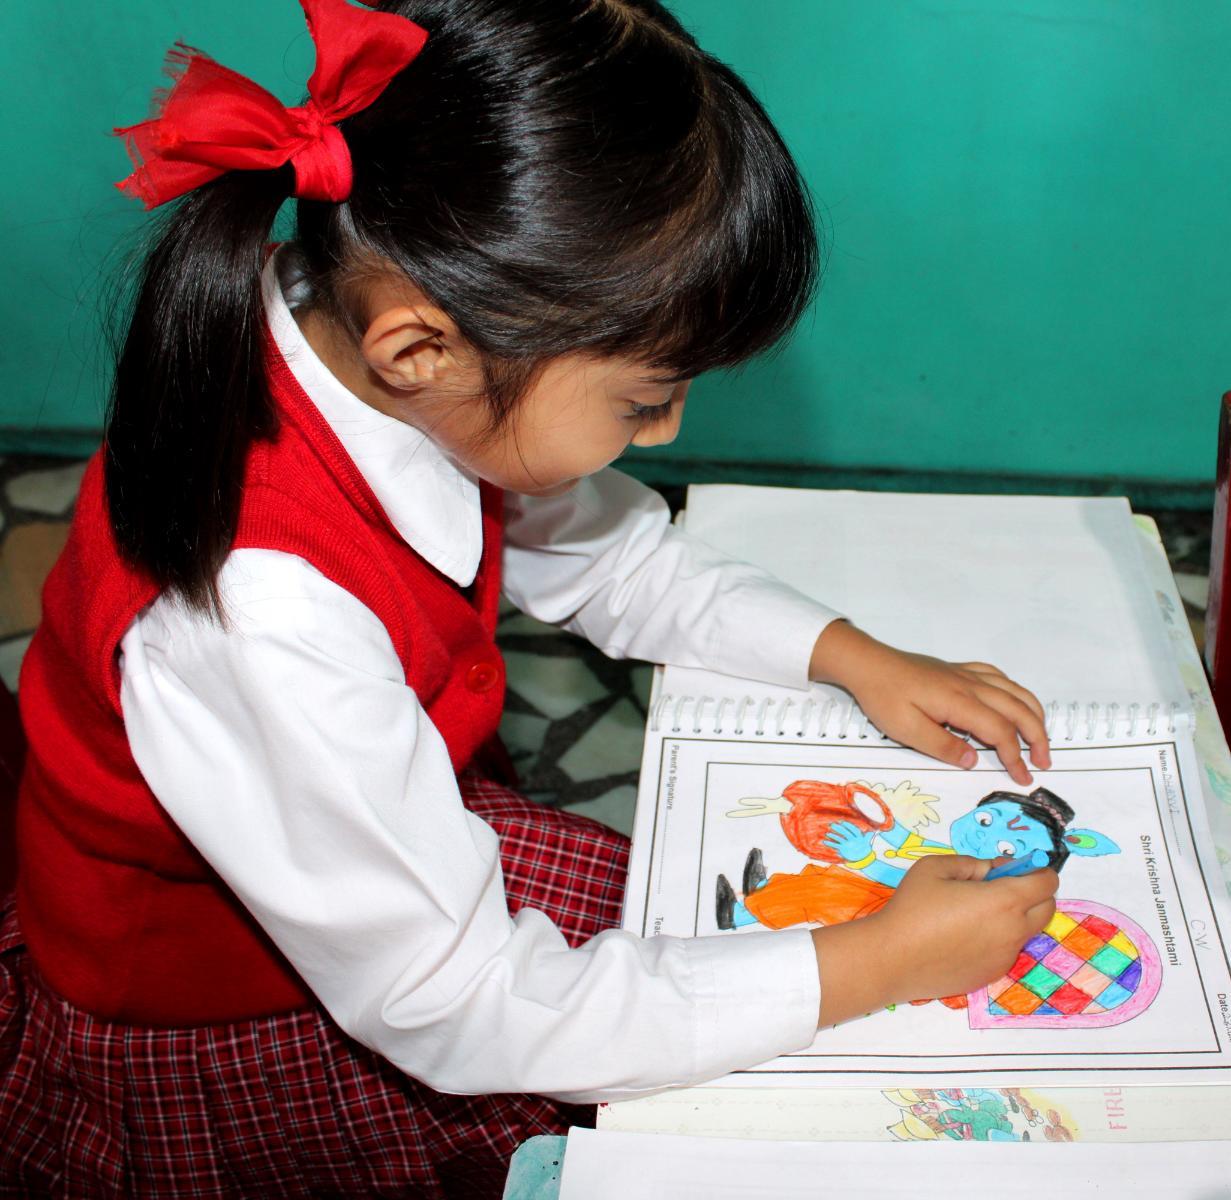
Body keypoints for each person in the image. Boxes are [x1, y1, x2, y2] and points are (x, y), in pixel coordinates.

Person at [0, 0, 1059, 1194]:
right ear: (421, 352)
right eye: (643, 400)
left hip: (379, 851)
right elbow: (458, 1004)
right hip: (217, 1011)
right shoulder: (268, 613)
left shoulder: (379, 337)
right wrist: (871, 965)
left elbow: (616, 559)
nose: (666, 432)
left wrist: (851, 655)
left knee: (697, 940)